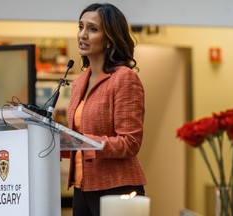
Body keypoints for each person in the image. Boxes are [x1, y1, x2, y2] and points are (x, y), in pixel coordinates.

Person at [61, 3, 147, 216]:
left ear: (109, 38)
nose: (82, 35)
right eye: (80, 27)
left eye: (92, 29)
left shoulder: (124, 78)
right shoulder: (80, 80)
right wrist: (54, 144)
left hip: (116, 190)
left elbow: (130, 142)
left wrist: (83, 142)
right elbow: (77, 140)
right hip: (82, 188)